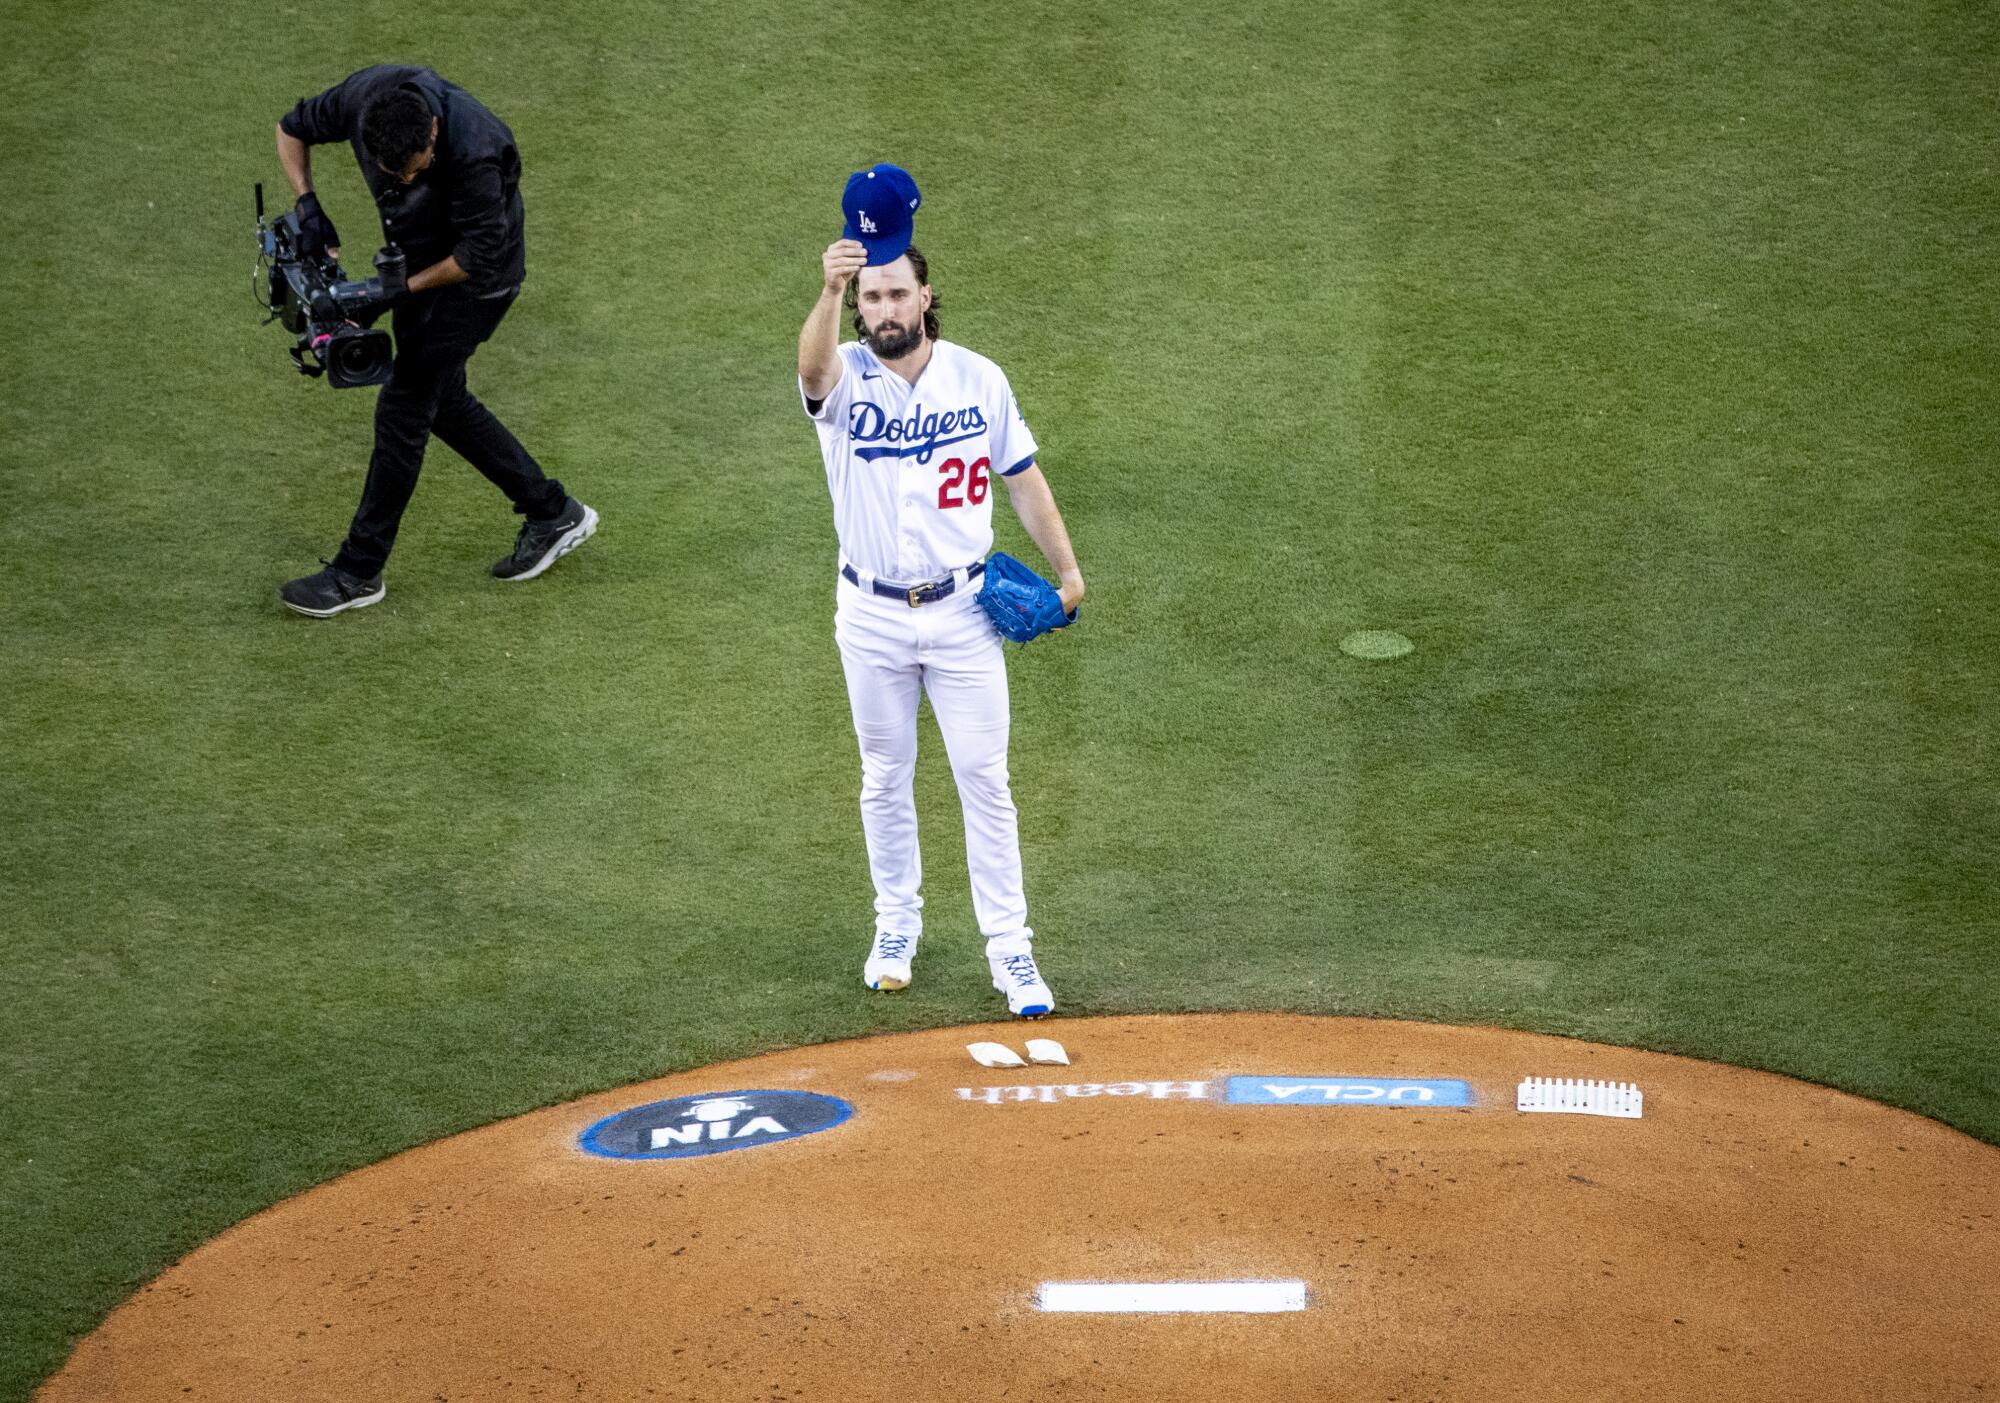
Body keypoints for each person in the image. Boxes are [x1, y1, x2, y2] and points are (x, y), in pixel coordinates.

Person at [796, 164, 1085, 1019]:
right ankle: (896, 924)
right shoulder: (843, 377)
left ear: (926, 297)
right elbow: (810, 371)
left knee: (983, 778)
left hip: (964, 615)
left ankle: (1012, 950)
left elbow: (1023, 480)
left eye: (895, 294)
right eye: (870, 297)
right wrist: (826, 290)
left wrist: (1069, 571)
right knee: (884, 775)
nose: (881, 310)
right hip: (872, 615)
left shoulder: (978, 380)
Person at [272, 65, 596, 616]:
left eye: (413, 172)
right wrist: (309, 204)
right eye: (387, 174)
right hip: (421, 269)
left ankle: (358, 571)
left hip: (479, 287)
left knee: (403, 406)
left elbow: (478, 258)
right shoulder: (363, 100)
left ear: (434, 138)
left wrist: (388, 291)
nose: (398, 184)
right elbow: (290, 128)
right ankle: (552, 511)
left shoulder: (478, 149)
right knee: (441, 402)